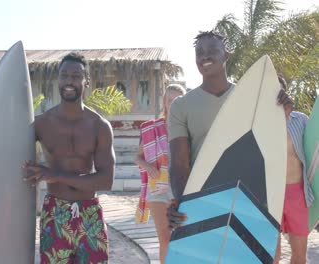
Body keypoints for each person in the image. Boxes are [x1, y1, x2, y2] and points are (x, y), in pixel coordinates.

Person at [0, 53, 115, 263]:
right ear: (57, 79)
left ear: (86, 81)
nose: (69, 81)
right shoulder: (42, 124)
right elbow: (4, 150)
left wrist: (55, 175)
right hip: (55, 213)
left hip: (89, 213)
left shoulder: (99, 126)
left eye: (76, 76)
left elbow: (106, 180)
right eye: (64, 75)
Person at [166, 31, 294, 232]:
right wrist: (186, 206)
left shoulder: (253, 99)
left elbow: (269, 149)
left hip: (247, 198)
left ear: (226, 55)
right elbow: (179, 165)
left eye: (212, 51)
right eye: (199, 52)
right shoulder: (181, 106)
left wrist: (281, 115)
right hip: (204, 197)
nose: (204, 56)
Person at [134, 84, 186, 263]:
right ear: (164, 103)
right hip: (158, 191)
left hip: (183, 191)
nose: (173, 104)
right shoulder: (152, 128)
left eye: (177, 101)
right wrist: (149, 168)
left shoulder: (189, 129)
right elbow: (138, 157)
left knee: (183, 240)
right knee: (165, 241)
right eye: (169, 100)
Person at [273, 76, 313, 264]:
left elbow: (314, 151)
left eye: (279, 91)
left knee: (299, 255)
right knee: (273, 254)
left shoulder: (301, 120)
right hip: (270, 195)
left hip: (297, 193)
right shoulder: (259, 125)